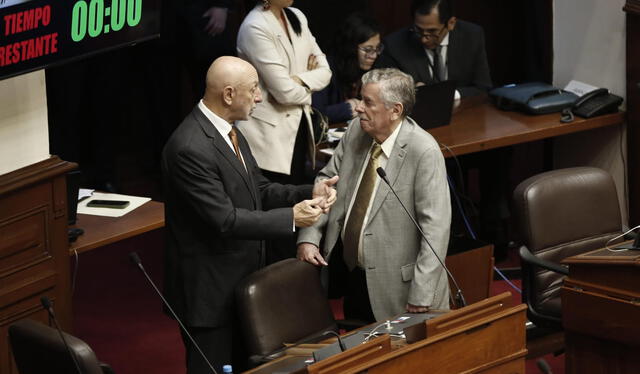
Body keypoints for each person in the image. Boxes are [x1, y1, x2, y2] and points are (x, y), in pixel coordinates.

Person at [161, 56, 338, 374]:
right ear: (228, 95)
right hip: (210, 296)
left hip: (243, 286)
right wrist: (292, 219)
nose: (260, 97)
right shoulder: (189, 147)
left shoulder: (230, 130)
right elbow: (225, 220)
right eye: (254, 89)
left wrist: (307, 191)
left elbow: (260, 189)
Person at [297, 68, 452, 323]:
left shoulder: (423, 151)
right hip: (352, 274)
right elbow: (326, 181)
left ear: (395, 110)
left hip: (401, 287)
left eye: (368, 102)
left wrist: (422, 294)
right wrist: (310, 237)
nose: (358, 108)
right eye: (361, 99)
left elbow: (435, 230)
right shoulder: (356, 132)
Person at [236, 0, 331, 185]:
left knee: (294, 200)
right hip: (267, 136)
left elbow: (326, 71)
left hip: (299, 126)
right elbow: (285, 93)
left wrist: (297, 80)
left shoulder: (297, 16)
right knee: (273, 203)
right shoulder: (254, 25)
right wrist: (308, 81)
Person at [375, 0, 491, 97]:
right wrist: (411, 91)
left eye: (432, 32)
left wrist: (448, 95)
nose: (424, 39)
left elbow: (483, 87)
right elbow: (385, 92)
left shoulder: (471, 36)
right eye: (418, 30)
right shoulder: (394, 45)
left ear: (451, 23)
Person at [312, 12, 383, 124]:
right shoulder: (326, 68)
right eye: (368, 49)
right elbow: (315, 115)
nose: (373, 55)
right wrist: (346, 109)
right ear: (351, 48)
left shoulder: (375, 68)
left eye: (377, 48)